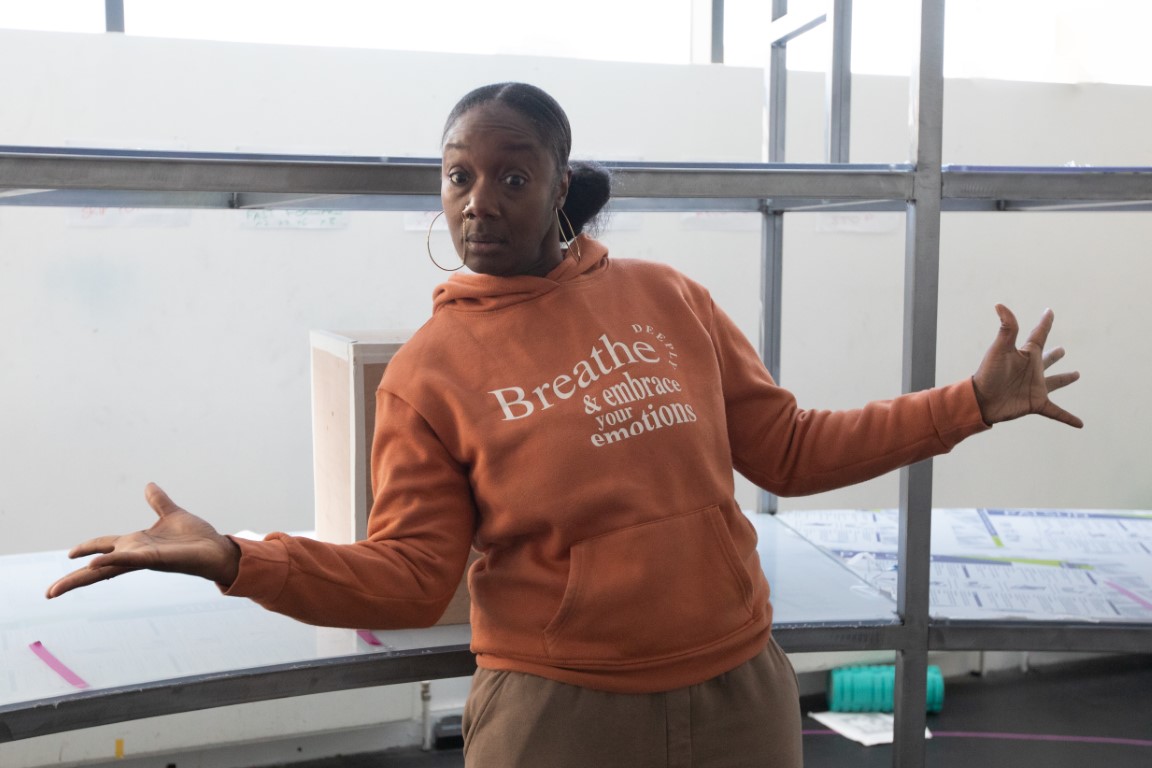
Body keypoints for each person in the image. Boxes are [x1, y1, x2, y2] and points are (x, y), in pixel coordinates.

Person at [46, 82, 1082, 767]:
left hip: (741, 697)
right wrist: (235, 556)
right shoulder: (427, 373)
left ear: (559, 187)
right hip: (560, 718)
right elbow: (410, 576)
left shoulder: (667, 297)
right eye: (458, 176)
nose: (479, 202)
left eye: (510, 175)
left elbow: (791, 450)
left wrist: (971, 405)